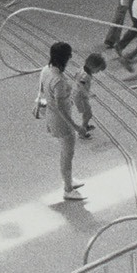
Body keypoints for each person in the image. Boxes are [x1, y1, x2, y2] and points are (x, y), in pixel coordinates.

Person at [35, 41, 84, 200]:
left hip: (51, 115)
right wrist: (76, 126)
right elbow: (61, 108)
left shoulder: (45, 70)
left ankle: (68, 179)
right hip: (61, 122)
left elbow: (42, 90)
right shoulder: (59, 80)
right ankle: (68, 189)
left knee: (66, 152)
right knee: (67, 154)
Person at [75, 53, 105, 138]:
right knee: (88, 114)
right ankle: (82, 132)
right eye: (98, 70)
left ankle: (85, 125)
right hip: (80, 97)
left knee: (87, 113)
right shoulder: (85, 75)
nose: (97, 72)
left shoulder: (82, 69)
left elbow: (76, 77)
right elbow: (80, 84)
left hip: (79, 95)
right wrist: (88, 93)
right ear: (92, 66)